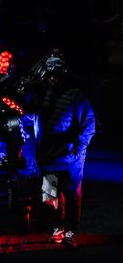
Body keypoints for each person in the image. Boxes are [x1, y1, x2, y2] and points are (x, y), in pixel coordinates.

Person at [36, 52, 95, 249]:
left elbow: (89, 124)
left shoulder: (76, 94)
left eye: (56, 74)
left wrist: (78, 148)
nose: (52, 78)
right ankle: (57, 226)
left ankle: (70, 230)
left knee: (71, 192)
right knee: (49, 193)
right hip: (49, 153)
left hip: (70, 154)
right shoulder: (46, 93)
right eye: (50, 75)